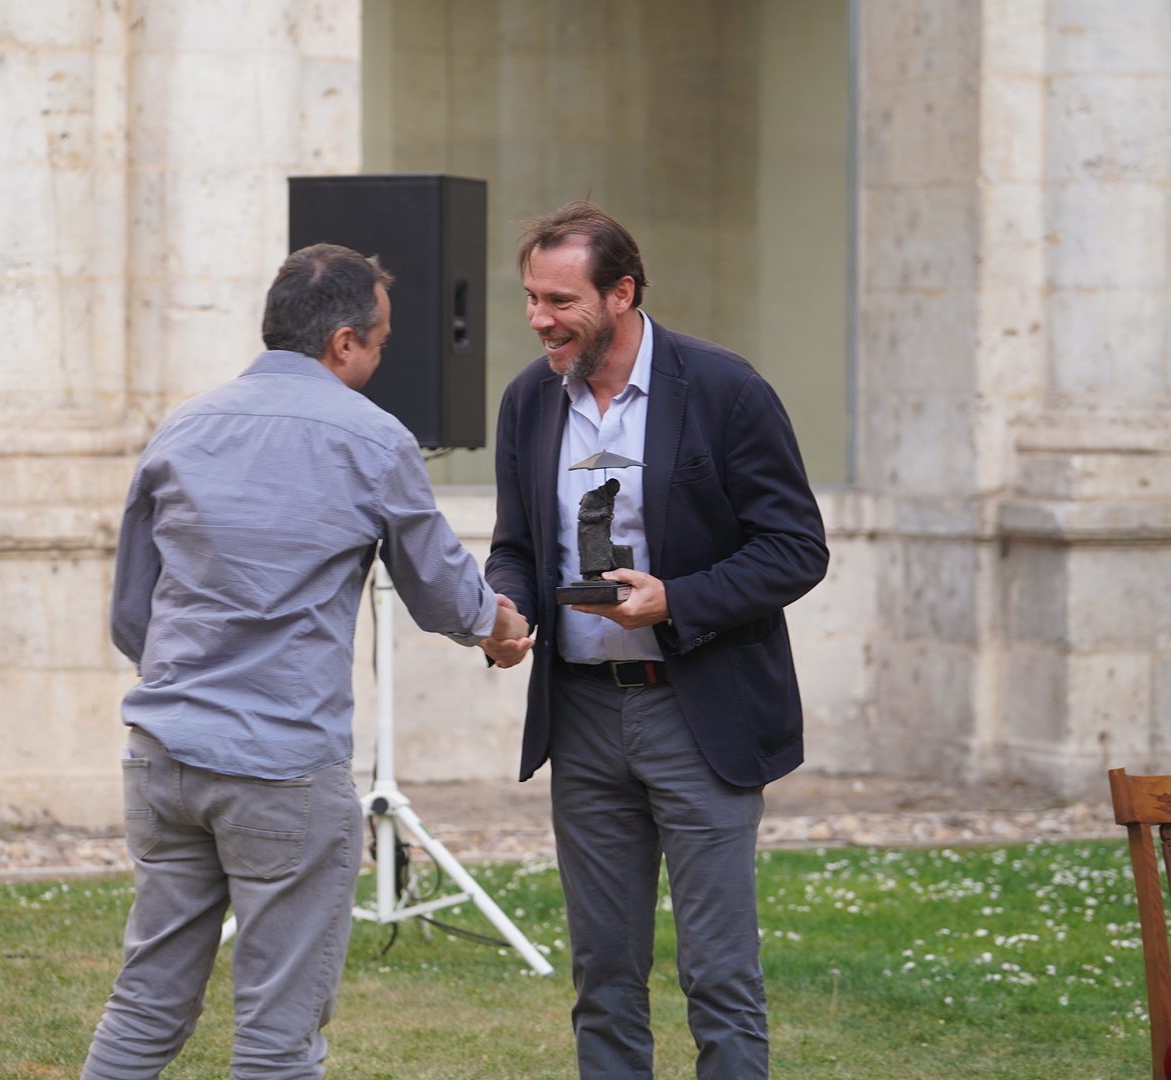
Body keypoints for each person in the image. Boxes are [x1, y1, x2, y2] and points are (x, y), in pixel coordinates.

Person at [82, 243, 532, 1080]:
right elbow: (441, 592)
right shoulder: (374, 438)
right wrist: (498, 626)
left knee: (144, 1005)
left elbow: (130, 614)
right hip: (283, 770)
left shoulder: (183, 426)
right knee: (277, 1037)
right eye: (380, 343)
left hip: (163, 760)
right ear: (343, 343)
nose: (380, 360)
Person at [480, 202, 828, 1080]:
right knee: (602, 974)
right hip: (582, 716)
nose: (539, 319)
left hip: (698, 711)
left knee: (719, 974)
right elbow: (517, 545)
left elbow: (796, 548)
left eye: (560, 300)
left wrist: (677, 600)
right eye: (531, 298)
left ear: (622, 293)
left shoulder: (724, 388)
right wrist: (508, 608)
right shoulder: (527, 400)